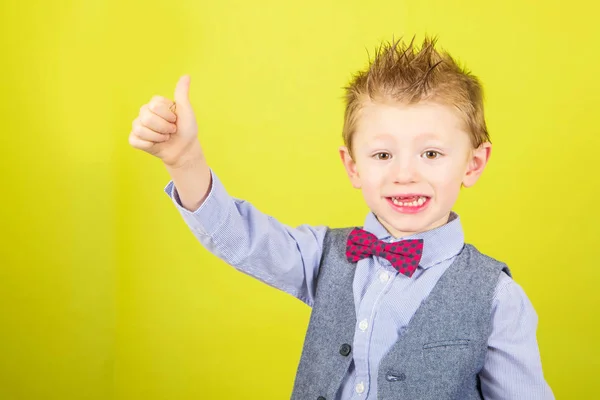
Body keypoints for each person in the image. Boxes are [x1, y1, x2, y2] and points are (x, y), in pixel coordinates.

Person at [129, 37, 554, 399]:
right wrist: (185, 160)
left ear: (473, 164)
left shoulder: (497, 297)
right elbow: (242, 239)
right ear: (353, 166)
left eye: (431, 153)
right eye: (382, 154)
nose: (404, 174)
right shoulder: (323, 255)